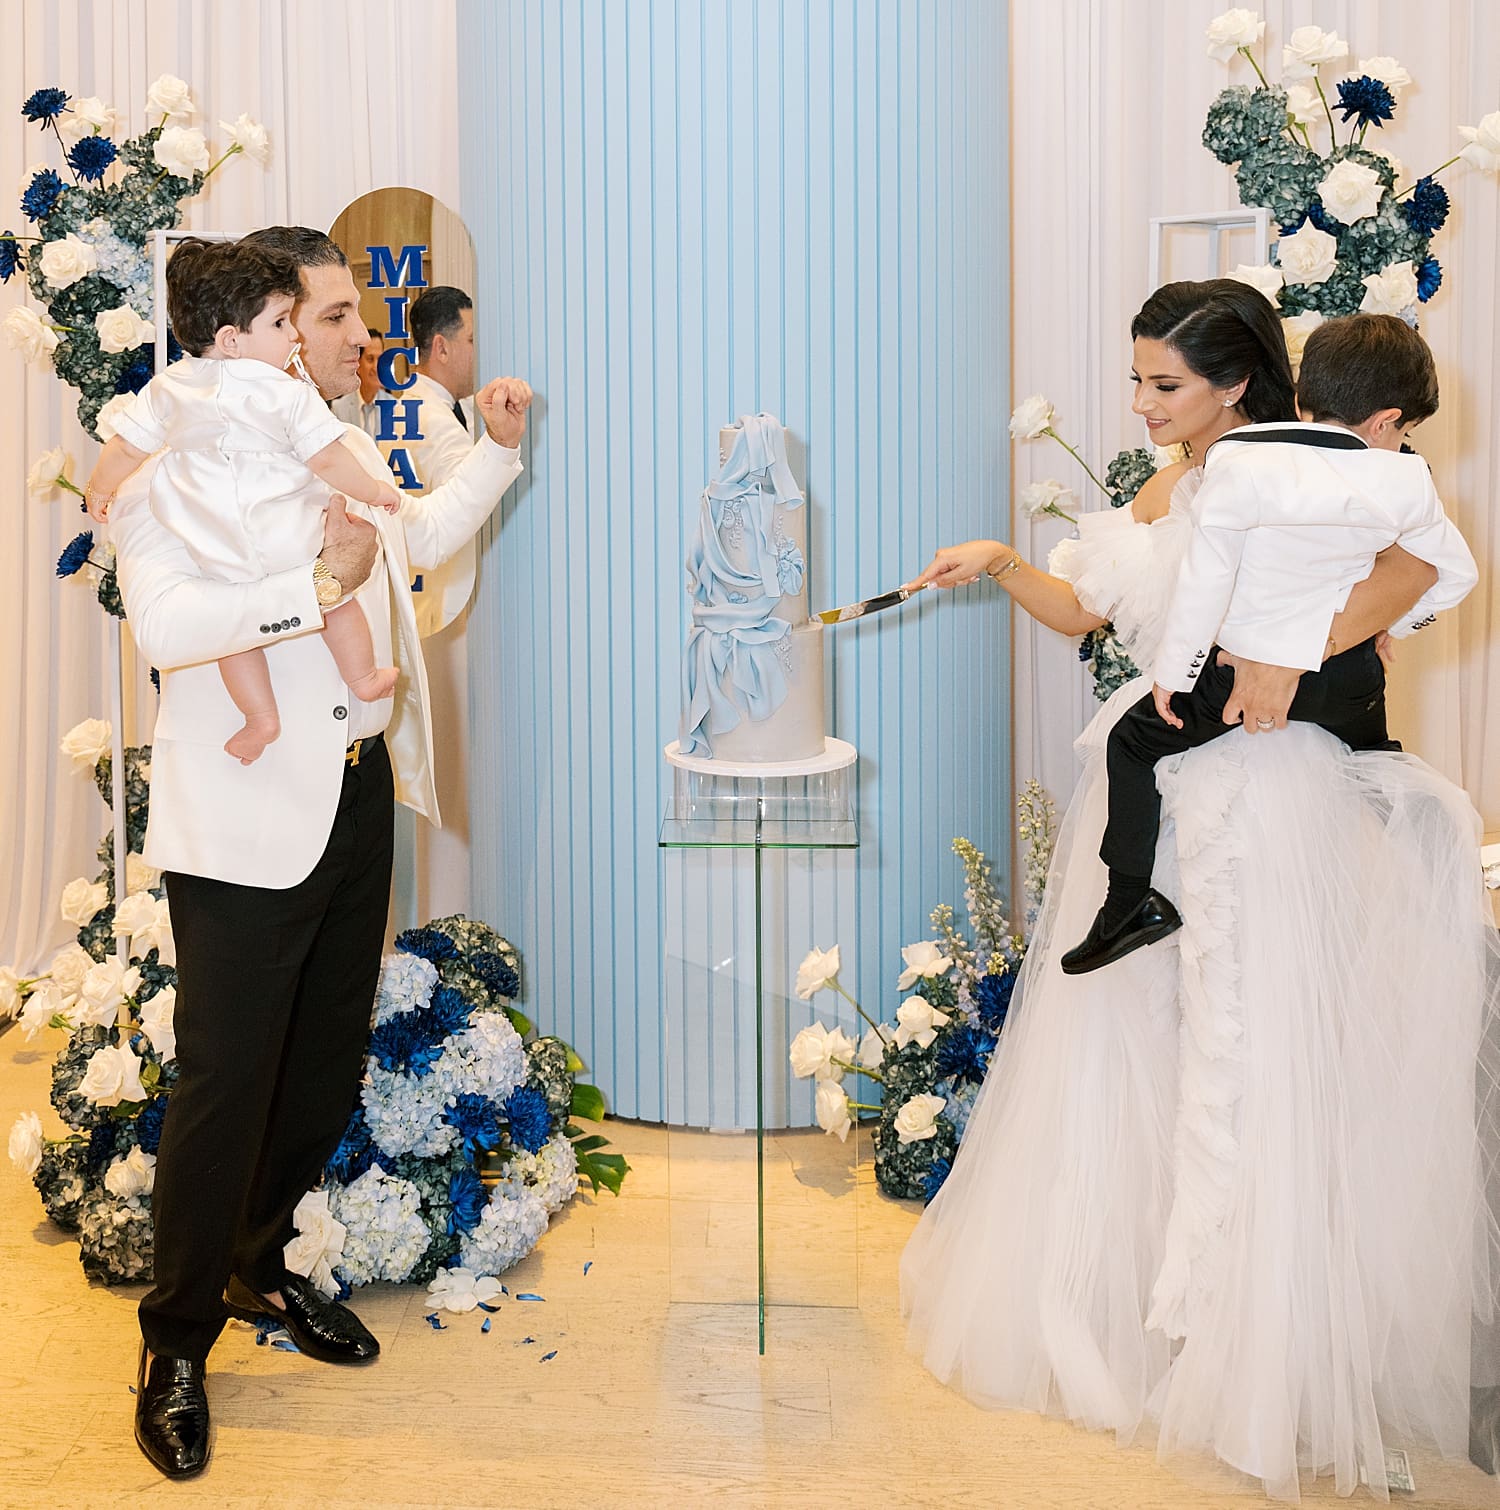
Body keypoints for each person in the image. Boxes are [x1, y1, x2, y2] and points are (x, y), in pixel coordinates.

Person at [900, 278, 1500, 1499]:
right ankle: (1170, 1326)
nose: (1141, 405)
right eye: (1136, 380)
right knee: (1150, 1064)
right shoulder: (1170, 485)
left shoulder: (1313, 476)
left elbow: (1401, 585)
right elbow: (1094, 609)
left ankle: (1258, 1359)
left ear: (1237, 383)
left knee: (1253, 1062)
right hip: (1161, 791)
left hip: (1264, 793)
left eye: (1163, 384)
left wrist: (1292, 651)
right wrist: (1005, 561)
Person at [108, 225, 533, 1479]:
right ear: (264, 327)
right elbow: (170, 625)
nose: (352, 338)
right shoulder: (164, 453)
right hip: (239, 824)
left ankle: (254, 1269)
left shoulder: (324, 456)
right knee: (225, 1085)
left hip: (354, 795)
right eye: (330, 316)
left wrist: (496, 459)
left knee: (321, 1070)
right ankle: (174, 1340)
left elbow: (402, 549)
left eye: (346, 318)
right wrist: (311, 581)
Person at [1063, 313, 1478, 975]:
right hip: (1347, 674)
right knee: (1375, 762)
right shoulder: (1403, 477)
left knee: (1132, 742)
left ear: (1304, 397)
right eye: (1404, 431)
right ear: (1386, 420)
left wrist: (1178, 670)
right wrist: (1389, 627)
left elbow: (1207, 579)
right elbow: (1453, 574)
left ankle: (1128, 904)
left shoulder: (1241, 463)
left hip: (1239, 668)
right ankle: (1435, 867)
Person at [86, 239, 402, 764]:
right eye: (282, 323)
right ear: (232, 339)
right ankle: (364, 677)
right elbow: (327, 459)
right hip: (288, 538)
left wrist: (98, 487)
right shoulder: (285, 394)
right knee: (340, 601)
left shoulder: (170, 390)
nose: (294, 333)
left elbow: (123, 446)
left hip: (217, 547)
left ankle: (260, 717)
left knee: (234, 640)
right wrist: (371, 495)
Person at [331, 326, 387, 433]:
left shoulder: (395, 407)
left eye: (380, 359)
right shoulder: (339, 409)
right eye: (370, 359)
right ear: (358, 363)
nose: (376, 367)